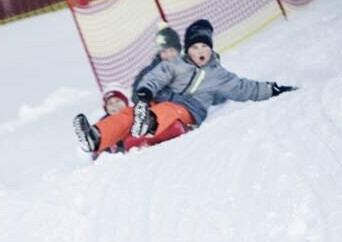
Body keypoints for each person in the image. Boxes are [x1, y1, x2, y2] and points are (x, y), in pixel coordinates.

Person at [72, 18, 296, 154]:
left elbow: (245, 88)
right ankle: (96, 136)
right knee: (128, 114)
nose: (200, 51)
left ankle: (147, 123)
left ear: (210, 49)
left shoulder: (218, 74)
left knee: (168, 110)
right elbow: (157, 75)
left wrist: (272, 89)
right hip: (160, 102)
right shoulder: (175, 64)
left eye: (204, 47)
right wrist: (145, 90)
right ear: (187, 49)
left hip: (188, 110)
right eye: (195, 47)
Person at [131, 24, 182, 95]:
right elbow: (137, 96)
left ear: (178, 50)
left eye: (171, 50)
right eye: (164, 51)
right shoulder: (148, 73)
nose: (168, 55)